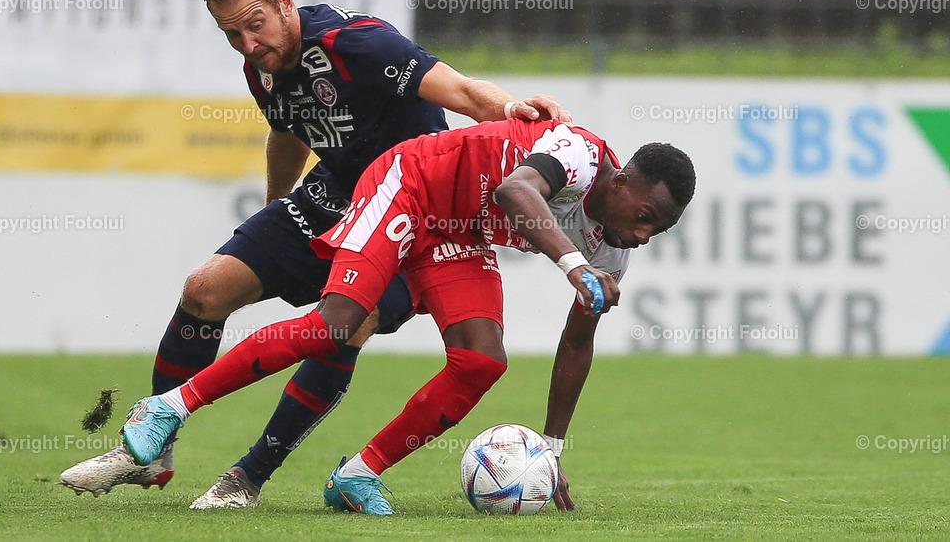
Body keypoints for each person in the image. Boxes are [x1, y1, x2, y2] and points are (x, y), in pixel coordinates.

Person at [59, 0, 570, 507]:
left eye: (255, 24)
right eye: (231, 34)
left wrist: (516, 108)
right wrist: (274, 214)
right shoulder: (262, 66)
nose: (249, 44)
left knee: (349, 323)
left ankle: (246, 479)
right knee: (204, 290)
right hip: (329, 200)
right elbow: (287, 132)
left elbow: (466, 93)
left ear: (285, 3)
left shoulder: (363, 45)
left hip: (411, 218)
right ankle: (154, 448)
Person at [115, 117, 695, 514]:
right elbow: (515, 191)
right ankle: (167, 407)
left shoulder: (612, 247)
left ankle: (358, 475)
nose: (644, 235)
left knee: (481, 361)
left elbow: (576, 343)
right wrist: (572, 265)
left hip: (460, 232)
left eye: (658, 229)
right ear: (619, 183)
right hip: (411, 184)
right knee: (337, 323)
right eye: (644, 215)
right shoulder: (581, 154)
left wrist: (553, 447)